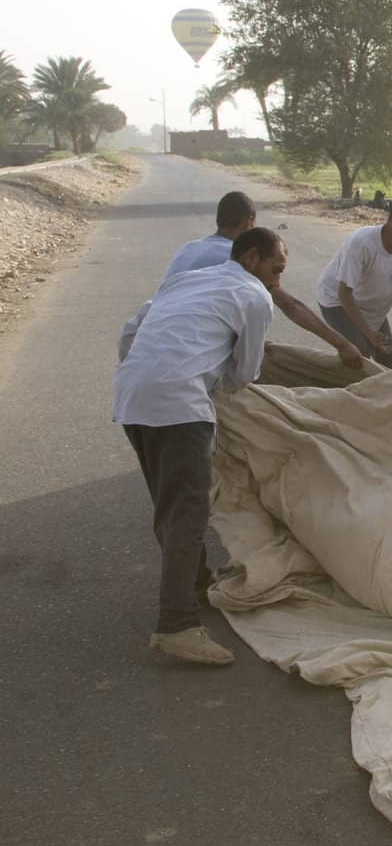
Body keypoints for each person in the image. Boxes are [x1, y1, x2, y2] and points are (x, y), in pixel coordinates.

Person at [114, 227, 284, 666]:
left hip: (133, 395)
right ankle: (176, 625)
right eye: (275, 269)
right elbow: (244, 374)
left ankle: (194, 583)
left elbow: (129, 334)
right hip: (180, 404)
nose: (277, 282)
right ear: (252, 259)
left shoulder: (187, 279)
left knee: (168, 505)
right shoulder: (253, 296)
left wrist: (154, 370)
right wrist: (210, 377)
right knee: (188, 512)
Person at [161, 190, 364, 369]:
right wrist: (342, 344)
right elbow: (291, 306)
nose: (275, 280)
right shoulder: (237, 259)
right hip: (189, 359)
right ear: (249, 221)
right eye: (275, 271)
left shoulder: (188, 249)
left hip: (154, 340)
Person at [314, 194, 392, 367]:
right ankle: (339, 390)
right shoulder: (362, 242)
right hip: (337, 301)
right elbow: (344, 293)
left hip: (372, 309)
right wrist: (368, 333)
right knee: (359, 355)